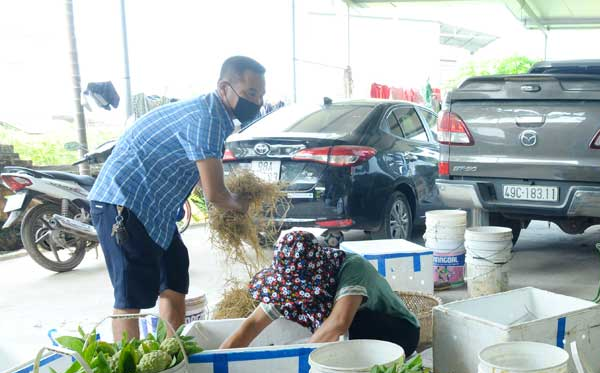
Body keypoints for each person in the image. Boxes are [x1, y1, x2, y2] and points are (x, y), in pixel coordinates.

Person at [90, 56, 267, 341]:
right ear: (224, 88)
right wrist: (239, 205)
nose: (257, 102)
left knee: (174, 280)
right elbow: (216, 194)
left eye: (260, 95)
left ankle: (172, 350)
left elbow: (197, 170)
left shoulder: (214, 117)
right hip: (123, 203)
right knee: (129, 298)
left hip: (155, 210)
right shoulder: (207, 119)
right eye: (250, 93)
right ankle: (131, 372)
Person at [220, 231, 421, 352]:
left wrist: (299, 360)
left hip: (399, 333)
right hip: (357, 335)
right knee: (299, 310)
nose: (294, 294)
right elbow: (253, 323)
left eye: (299, 289)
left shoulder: (352, 267)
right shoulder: (289, 283)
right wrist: (215, 358)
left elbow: (339, 323)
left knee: (349, 322)